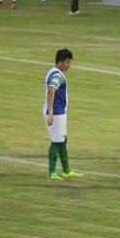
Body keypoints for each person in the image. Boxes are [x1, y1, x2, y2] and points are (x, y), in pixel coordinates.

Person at [43, 49, 83, 180]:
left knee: (62, 140)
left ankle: (66, 170)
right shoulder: (57, 76)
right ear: (60, 62)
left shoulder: (52, 71)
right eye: (67, 62)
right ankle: (51, 172)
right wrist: (51, 113)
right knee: (56, 141)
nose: (69, 65)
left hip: (58, 112)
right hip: (56, 113)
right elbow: (51, 91)